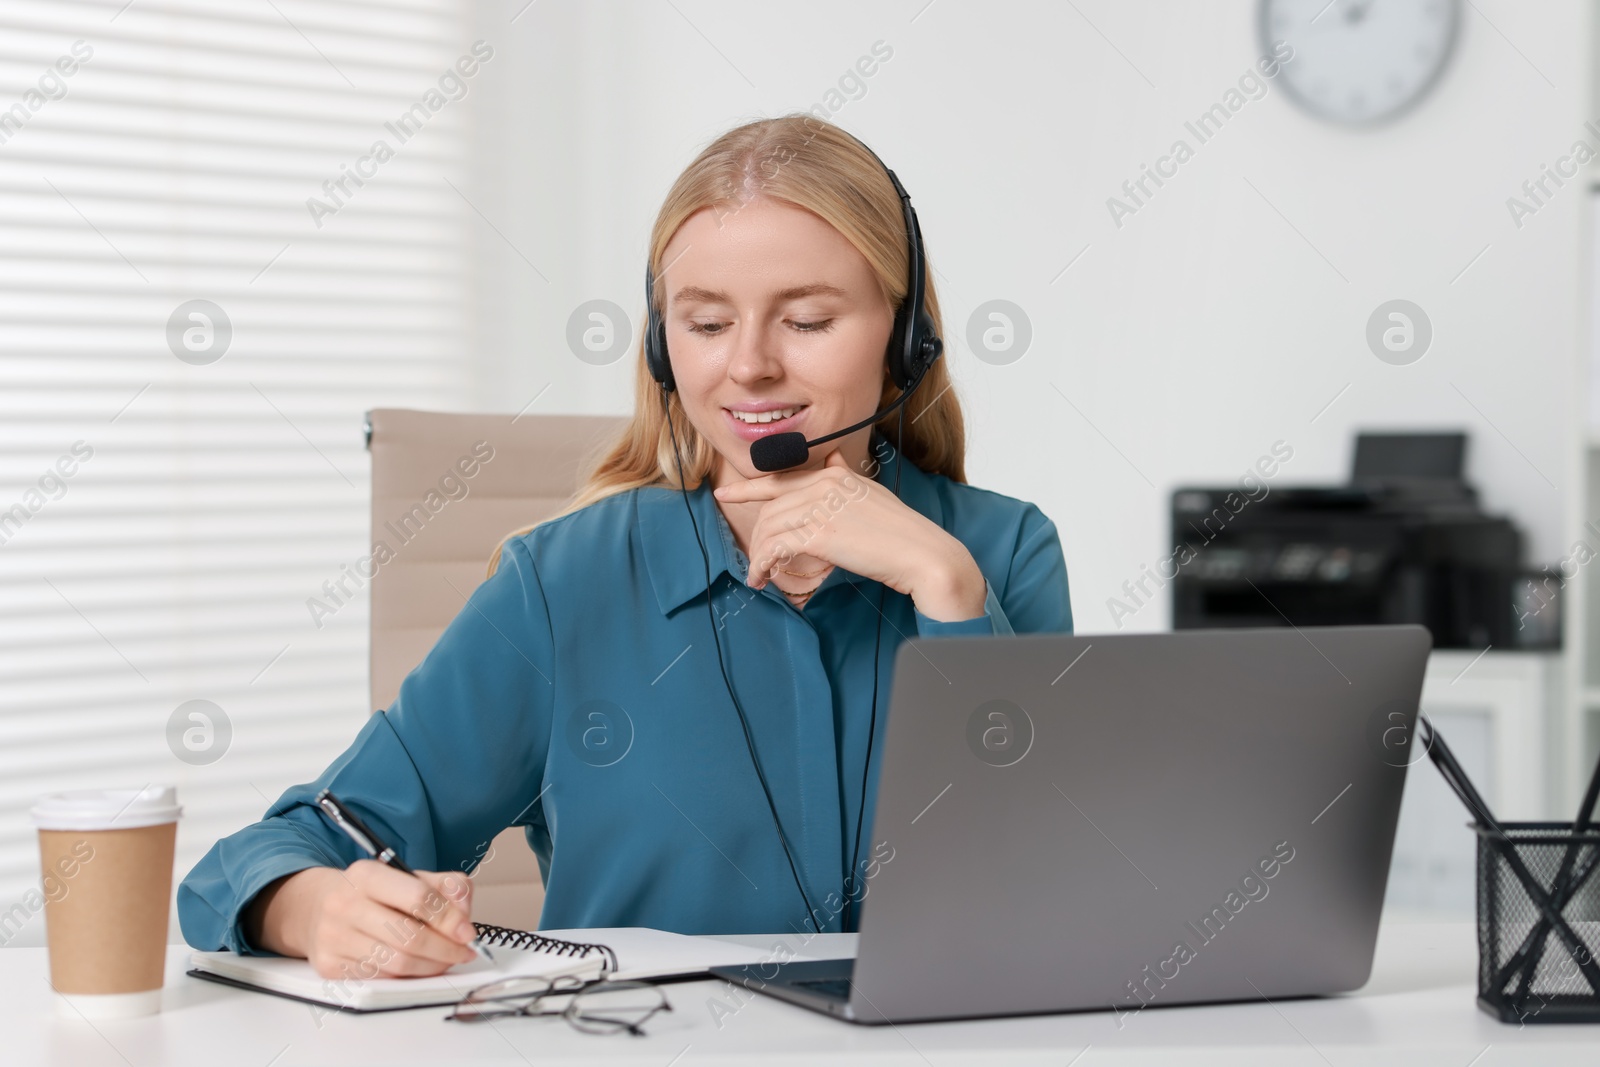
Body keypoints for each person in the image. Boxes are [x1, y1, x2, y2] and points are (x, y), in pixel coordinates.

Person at [177, 114, 1073, 980]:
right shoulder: (564, 584)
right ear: (659, 342)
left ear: (906, 337)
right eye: (708, 323)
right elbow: (274, 853)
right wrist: (312, 907)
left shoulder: (1001, 551)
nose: (749, 366)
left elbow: (1052, 897)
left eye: (805, 320)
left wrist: (947, 588)